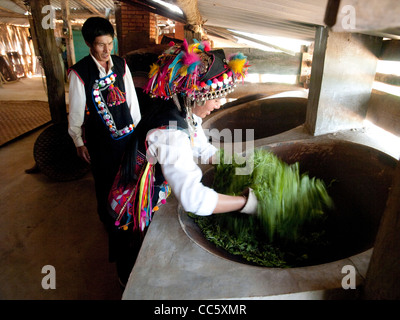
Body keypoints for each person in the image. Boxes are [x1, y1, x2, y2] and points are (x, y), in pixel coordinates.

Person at [109, 39, 257, 285]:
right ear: (197, 96)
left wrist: (237, 161)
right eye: (216, 97)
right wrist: (246, 203)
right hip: (133, 205)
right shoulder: (171, 133)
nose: (219, 104)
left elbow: (202, 148)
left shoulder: (181, 107)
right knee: (135, 264)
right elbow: (193, 199)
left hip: (148, 190)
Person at [67, 17, 141, 279]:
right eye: (100, 45)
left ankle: (128, 220)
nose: (106, 50)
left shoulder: (120, 65)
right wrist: (78, 140)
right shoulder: (80, 73)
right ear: (88, 43)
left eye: (110, 43)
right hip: (101, 142)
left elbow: (131, 100)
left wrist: (137, 132)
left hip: (128, 136)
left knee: (130, 179)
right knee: (106, 182)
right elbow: (75, 112)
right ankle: (110, 224)